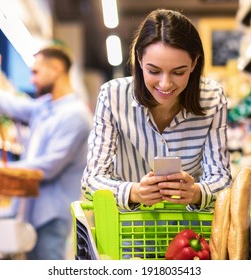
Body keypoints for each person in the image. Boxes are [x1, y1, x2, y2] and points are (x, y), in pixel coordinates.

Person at [81, 9, 231, 212]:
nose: (165, 83)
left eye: (179, 72)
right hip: (129, 230)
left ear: (195, 63)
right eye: (154, 71)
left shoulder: (212, 98)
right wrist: (134, 192)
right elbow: (91, 181)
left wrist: (196, 192)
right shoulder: (112, 96)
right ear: (139, 60)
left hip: (190, 232)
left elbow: (222, 179)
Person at [0, 46, 93, 259]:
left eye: (36, 72)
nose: (31, 80)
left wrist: (0, 169)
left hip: (51, 217)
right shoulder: (45, 107)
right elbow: (8, 104)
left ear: (56, 69)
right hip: (30, 212)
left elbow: (48, 167)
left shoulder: (75, 116)